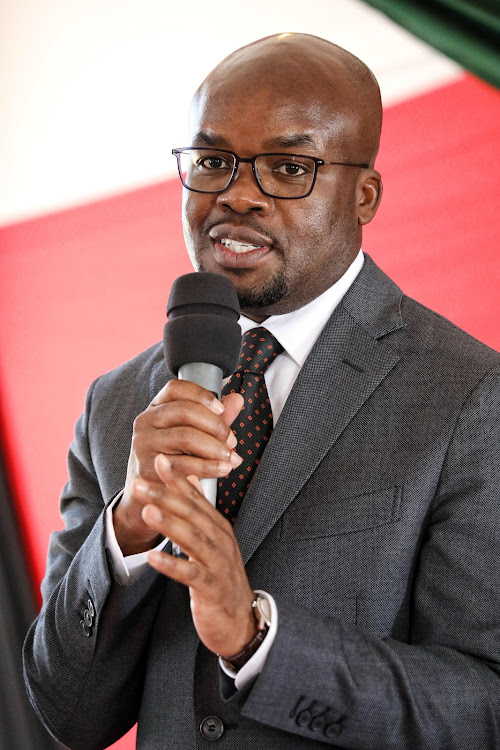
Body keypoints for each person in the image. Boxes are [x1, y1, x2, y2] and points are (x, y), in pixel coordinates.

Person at [23, 33, 500, 749]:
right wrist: (126, 531)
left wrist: (258, 640)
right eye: (213, 162)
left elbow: (482, 710)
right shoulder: (118, 403)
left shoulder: (469, 395)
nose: (237, 194)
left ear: (364, 195)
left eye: (288, 167)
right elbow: (66, 714)